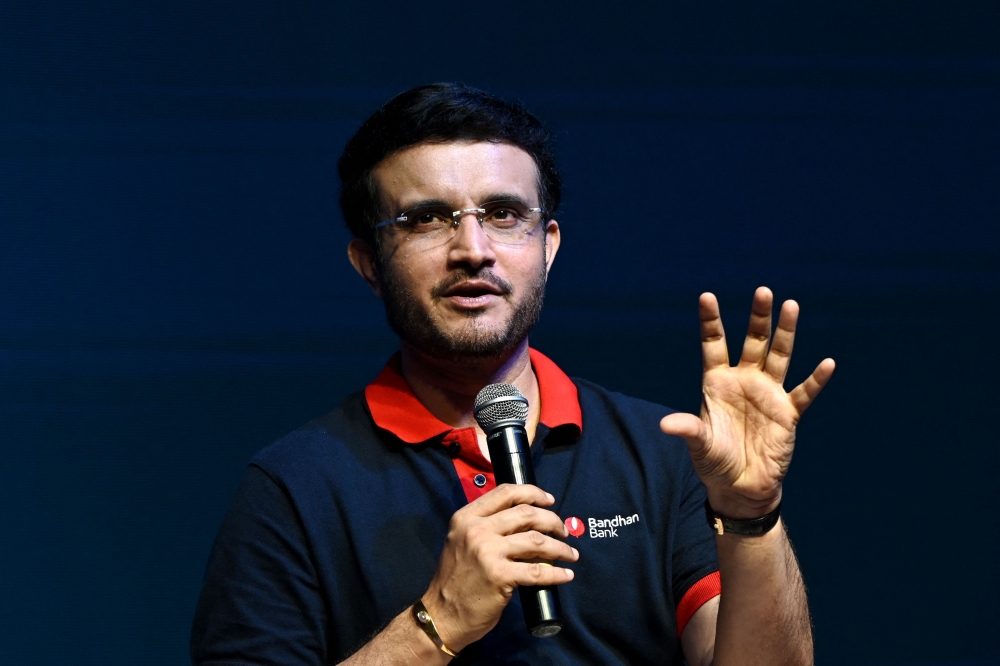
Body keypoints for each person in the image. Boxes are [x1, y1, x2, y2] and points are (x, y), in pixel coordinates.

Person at [191, 83, 835, 666]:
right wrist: (435, 621)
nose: (473, 249)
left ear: (548, 245)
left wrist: (752, 516)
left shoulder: (668, 457)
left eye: (502, 214)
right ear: (368, 261)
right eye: (426, 218)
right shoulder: (293, 489)